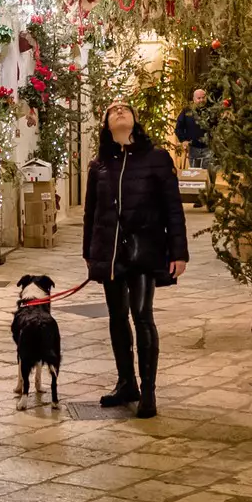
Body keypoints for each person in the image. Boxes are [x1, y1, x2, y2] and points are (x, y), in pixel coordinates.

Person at [81, 100, 189, 418]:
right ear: (105, 123)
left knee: (142, 315)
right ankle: (127, 383)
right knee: (117, 317)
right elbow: (91, 214)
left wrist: (178, 252)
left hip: (145, 249)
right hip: (111, 253)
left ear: (135, 120)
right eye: (112, 109)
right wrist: (90, 253)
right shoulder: (99, 165)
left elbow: (173, 208)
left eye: (125, 109)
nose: (119, 111)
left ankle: (149, 392)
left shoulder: (156, 159)